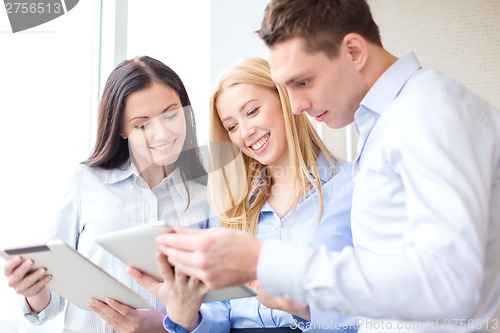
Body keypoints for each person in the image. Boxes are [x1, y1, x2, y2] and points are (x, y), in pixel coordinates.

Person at [154, 0, 500, 332]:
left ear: (353, 51)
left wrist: (264, 259)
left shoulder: (429, 112)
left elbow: (451, 285)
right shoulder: (384, 126)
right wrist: (305, 308)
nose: (296, 106)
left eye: (303, 82)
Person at [130, 57, 357, 332]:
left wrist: (305, 310)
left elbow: (384, 303)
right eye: (232, 127)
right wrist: (189, 317)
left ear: (285, 99)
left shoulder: (353, 186)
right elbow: (218, 312)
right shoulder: (228, 206)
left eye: (252, 112)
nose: (246, 132)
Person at [3, 56, 215, 332]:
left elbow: (217, 308)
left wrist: (163, 327)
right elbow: (52, 301)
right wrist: (33, 289)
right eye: (142, 124)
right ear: (122, 128)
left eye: (171, 114)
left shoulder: (207, 196)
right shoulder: (85, 182)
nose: (162, 133)